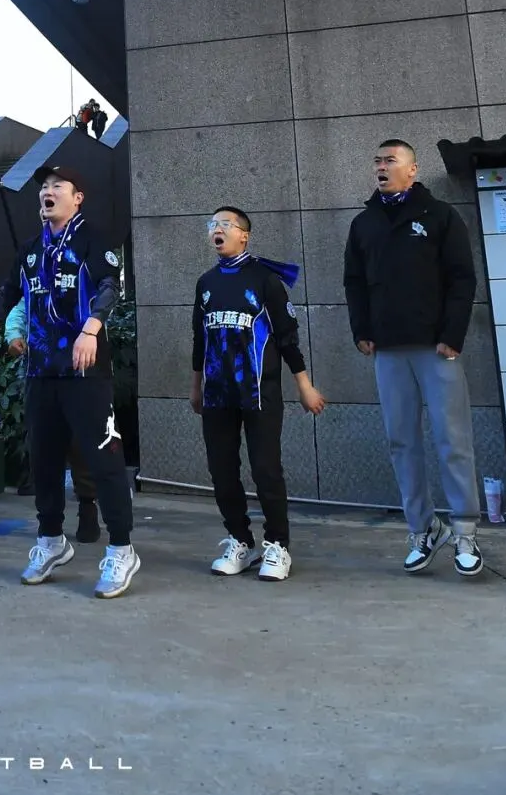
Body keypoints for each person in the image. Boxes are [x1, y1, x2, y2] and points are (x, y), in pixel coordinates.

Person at [0, 165, 139, 599]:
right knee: (43, 461)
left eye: (57, 187)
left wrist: (91, 330)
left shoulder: (92, 240)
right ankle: (50, 540)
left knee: (102, 460)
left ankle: (121, 548)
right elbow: (8, 293)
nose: (47, 192)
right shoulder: (31, 249)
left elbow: (109, 285)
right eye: (43, 188)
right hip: (40, 370)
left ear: (77, 197)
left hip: (85, 371)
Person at [344, 138, 483, 577]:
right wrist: (362, 331)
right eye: (377, 161)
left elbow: (462, 278)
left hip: (436, 347)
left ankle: (465, 530)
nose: (381, 167)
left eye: (390, 160)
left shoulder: (440, 216)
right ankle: (422, 529)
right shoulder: (364, 223)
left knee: (452, 439)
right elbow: (354, 282)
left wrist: (452, 335)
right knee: (401, 441)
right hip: (388, 349)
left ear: (412, 169)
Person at [190, 208, 326, 580]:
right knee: (221, 470)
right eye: (212, 225)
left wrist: (304, 385)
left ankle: (278, 545)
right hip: (217, 393)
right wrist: (196, 386)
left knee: (266, 469)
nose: (217, 230)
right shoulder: (206, 283)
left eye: (225, 224)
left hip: (260, 392)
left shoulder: (265, 280)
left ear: (244, 236)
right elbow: (200, 338)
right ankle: (240, 541)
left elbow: (287, 338)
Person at [5, 294, 101, 543]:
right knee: (44, 448)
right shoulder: (35, 277)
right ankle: (49, 522)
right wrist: (14, 335)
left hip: (78, 372)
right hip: (41, 373)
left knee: (81, 444)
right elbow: (20, 308)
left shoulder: (79, 278)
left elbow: (98, 307)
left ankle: (88, 506)